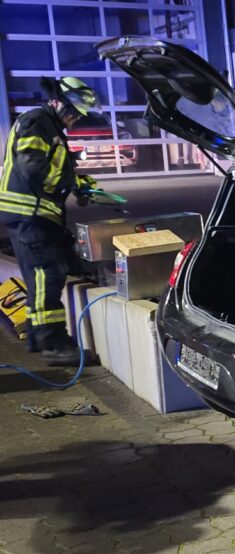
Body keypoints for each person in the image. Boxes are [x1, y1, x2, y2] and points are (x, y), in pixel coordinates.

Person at [0, 77, 104, 366]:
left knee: (42, 277)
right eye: (74, 112)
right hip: (29, 214)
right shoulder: (37, 122)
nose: (76, 118)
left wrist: (81, 185)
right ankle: (54, 344)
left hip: (34, 215)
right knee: (49, 274)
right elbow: (33, 168)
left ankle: (38, 337)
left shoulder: (50, 126)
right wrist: (72, 183)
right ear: (57, 102)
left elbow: (55, 169)